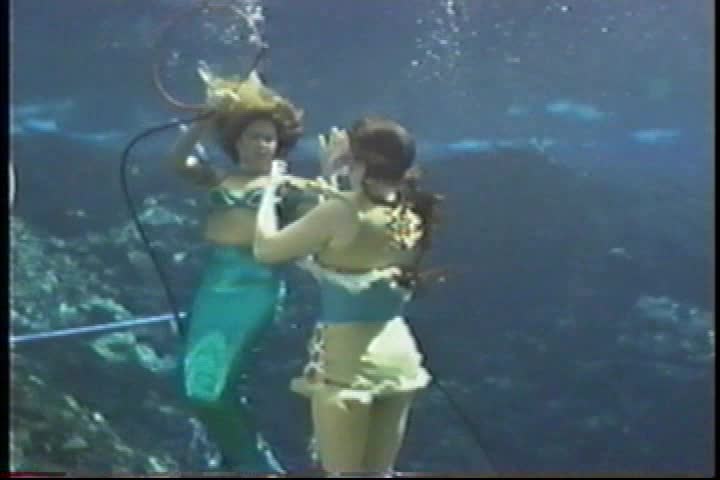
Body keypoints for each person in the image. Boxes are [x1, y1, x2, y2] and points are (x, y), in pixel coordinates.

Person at [254, 116, 442, 476]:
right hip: (399, 361)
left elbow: (267, 249)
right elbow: (354, 241)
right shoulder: (410, 211)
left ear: (360, 162)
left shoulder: (341, 210)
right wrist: (333, 175)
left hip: (347, 365)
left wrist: (269, 189)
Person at [166, 69, 308, 473]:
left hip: (256, 287)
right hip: (214, 285)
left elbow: (312, 232)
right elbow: (177, 161)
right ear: (236, 141)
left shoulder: (289, 188)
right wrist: (205, 120)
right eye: (253, 137)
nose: (261, 145)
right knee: (194, 383)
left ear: (280, 145)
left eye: (268, 138)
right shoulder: (219, 177)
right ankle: (241, 457)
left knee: (211, 388)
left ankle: (259, 467)